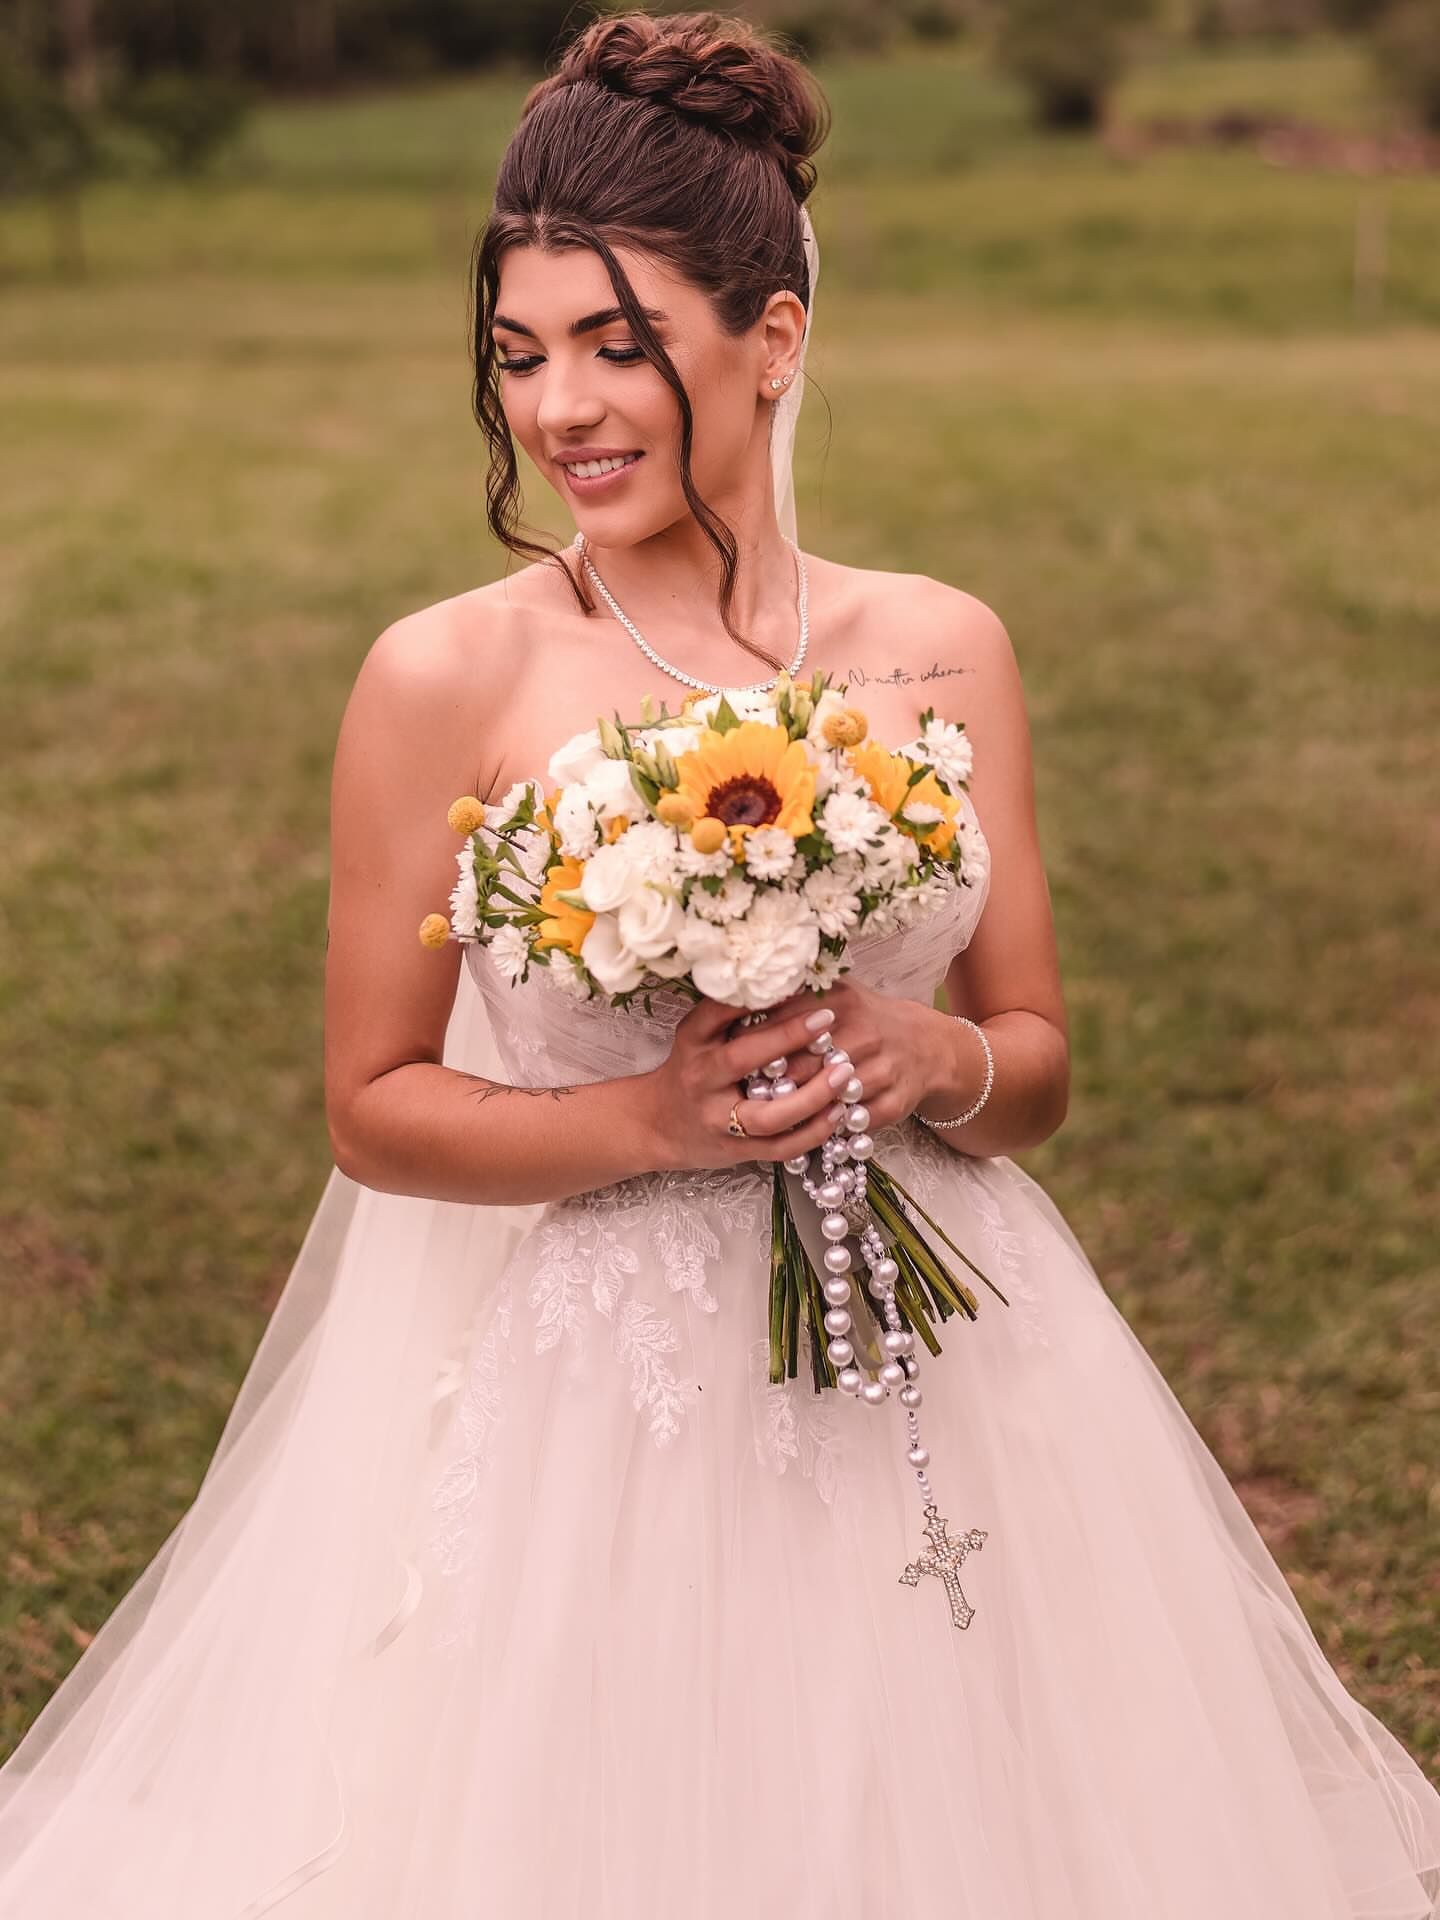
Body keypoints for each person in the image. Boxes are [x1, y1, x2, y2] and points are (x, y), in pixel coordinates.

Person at [2, 10, 1437, 1916]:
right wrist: (653, 1115)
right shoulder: (449, 675)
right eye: (519, 355)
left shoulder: (942, 649)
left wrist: (940, 1066)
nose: (558, 410)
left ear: (771, 338)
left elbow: (1040, 1061)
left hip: (969, 1357)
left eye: (619, 344)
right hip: (615, 1398)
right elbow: (374, 1109)